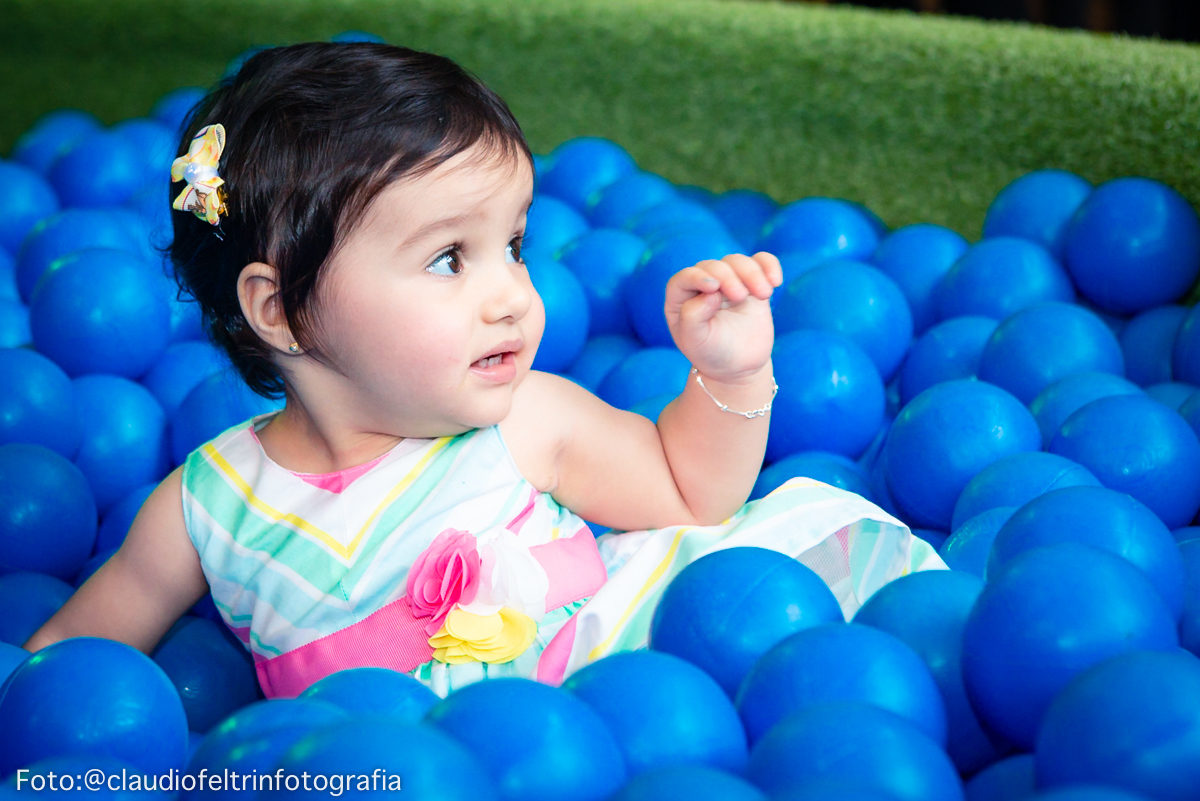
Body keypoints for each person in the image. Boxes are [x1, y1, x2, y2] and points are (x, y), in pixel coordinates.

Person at [23, 42, 943, 699]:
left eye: (513, 244)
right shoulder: (205, 506)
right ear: (283, 311)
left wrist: (730, 375)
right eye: (447, 259)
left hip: (620, 691)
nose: (511, 294)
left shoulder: (524, 421)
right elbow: (67, 661)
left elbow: (689, 489)